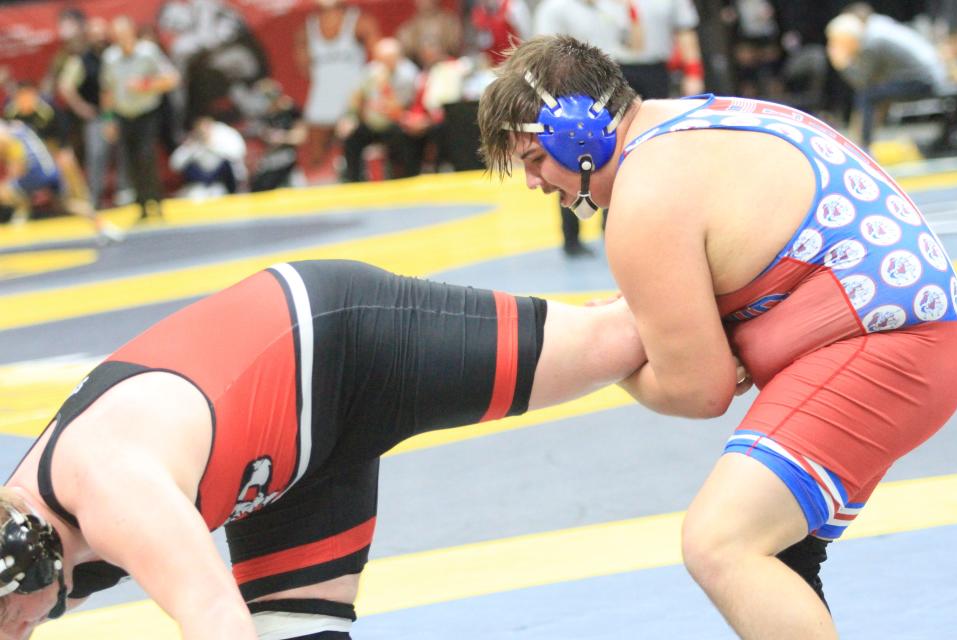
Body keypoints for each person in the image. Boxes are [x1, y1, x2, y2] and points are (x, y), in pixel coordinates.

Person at [478, 35, 957, 638]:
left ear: (576, 133)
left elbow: (700, 390)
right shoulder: (690, 120)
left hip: (889, 342)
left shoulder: (644, 198)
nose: (532, 184)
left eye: (531, 161)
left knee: (721, 542)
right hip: (906, 327)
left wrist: (611, 351)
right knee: (780, 549)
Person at [0, 258, 650, 639]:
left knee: (618, 345)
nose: (17, 631)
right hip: (286, 468)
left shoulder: (111, 490)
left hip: (346, 343)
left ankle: (732, 258)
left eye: (9, 618)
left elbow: (215, 618)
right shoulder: (33, 539)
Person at [534, 0, 646, 258]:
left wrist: (633, 15)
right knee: (567, 167)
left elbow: (632, 46)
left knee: (611, 162)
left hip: (606, 97)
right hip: (571, 104)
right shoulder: (555, 9)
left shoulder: (610, 7)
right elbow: (545, 57)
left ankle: (613, 230)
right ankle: (571, 238)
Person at [826, 8, 948, 148]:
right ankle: (864, 139)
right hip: (933, 73)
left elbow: (861, 82)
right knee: (877, 92)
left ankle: (863, 146)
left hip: (926, 80)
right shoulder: (878, 25)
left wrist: (842, 64)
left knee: (867, 96)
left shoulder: (872, 41)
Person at [100, 15, 181, 221]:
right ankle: (142, 204)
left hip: (147, 113)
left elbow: (172, 79)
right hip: (124, 115)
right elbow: (107, 90)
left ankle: (157, 200)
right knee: (130, 160)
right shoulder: (110, 57)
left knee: (146, 156)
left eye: (123, 33)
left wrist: (146, 85)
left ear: (132, 32)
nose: (120, 38)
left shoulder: (148, 52)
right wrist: (108, 119)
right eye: (116, 35)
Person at [0, 120, 123, 243]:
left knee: (4, 192)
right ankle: (104, 226)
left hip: (35, 172)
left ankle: (21, 213)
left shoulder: (5, 136)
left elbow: (17, 165)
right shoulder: (19, 127)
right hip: (51, 169)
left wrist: (11, 180)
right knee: (68, 203)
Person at [295, 0, 380, 172]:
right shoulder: (306, 29)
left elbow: (378, 60)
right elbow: (304, 67)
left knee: (359, 151)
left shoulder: (360, 21)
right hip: (323, 101)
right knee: (317, 159)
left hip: (354, 101)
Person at [57, 15, 132, 210]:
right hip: (98, 116)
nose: (99, 38)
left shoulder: (115, 54)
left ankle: (125, 193)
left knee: (125, 153)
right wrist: (81, 107)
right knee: (97, 156)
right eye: (94, 34)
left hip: (122, 112)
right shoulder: (82, 59)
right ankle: (94, 199)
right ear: (88, 36)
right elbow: (65, 86)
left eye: (102, 34)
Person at [338, 38, 423, 182]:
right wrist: (350, 117)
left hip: (396, 124)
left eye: (389, 59)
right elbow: (357, 97)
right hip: (372, 123)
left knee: (404, 140)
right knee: (351, 138)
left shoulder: (407, 75)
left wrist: (384, 87)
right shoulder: (370, 71)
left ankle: (405, 180)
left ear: (398, 58)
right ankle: (354, 182)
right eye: (381, 59)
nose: (384, 64)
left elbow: (399, 110)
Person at [248, 79, 307, 192]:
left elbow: (302, 136)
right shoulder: (258, 115)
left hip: (288, 166)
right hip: (266, 167)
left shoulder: (290, 112)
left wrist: (282, 137)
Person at [169, 116, 247, 198]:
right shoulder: (194, 141)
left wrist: (212, 146)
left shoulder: (224, 135)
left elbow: (238, 154)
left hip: (227, 184)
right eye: (201, 130)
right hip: (200, 185)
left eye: (206, 128)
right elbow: (174, 164)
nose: (204, 132)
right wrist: (190, 148)